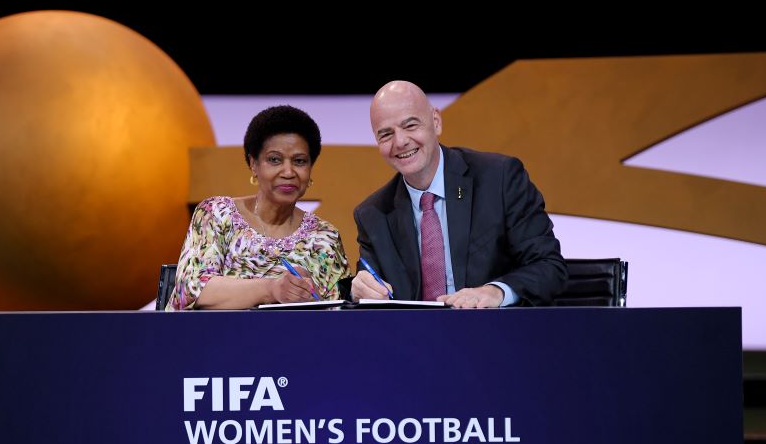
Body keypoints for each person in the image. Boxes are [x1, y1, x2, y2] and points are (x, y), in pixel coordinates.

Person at [352, 81, 567, 308]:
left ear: (436, 122)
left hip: (495, 334)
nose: (400, 141)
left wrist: (496, 292)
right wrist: (360, 289)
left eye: (411, 125)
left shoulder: (500, 179)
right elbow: (372, 290)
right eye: (386, 134)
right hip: (415, 340)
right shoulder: (373, 215)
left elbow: (548, 266)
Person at [167, 105, 349, 310]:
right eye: (274, 160)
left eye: (299, 161)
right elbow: (189, 292)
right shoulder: (217, 215)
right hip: (218, 339)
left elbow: (337, 315)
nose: (288, 171)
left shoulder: (325, 239)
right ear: (254, 164)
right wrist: (271, 289)